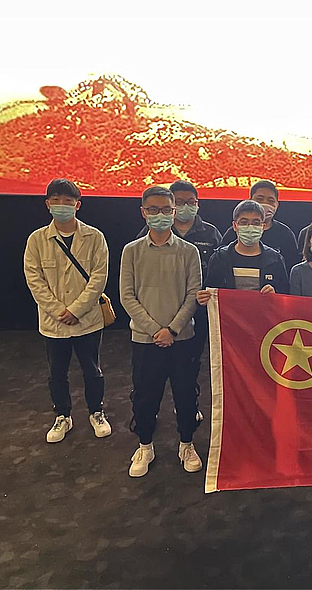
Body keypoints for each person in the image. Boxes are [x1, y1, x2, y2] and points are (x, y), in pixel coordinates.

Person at [120, 186, 203, 478]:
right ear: (143, 212)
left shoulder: (189, 251)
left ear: (174, 211)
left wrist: (173, 329)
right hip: (146, 340)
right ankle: (145, 445)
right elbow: (127, 296)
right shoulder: (131, 251)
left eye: (166, 209)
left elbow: (193, 295)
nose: (160, 215)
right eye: (153, 210)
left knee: (185, 395)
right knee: (145, 396)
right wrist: (156, 330)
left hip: (183, 339)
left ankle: (186, 443)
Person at [24, 178, 112, 443]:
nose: (62, 205)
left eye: (68, 201)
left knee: (92, 370)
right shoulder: (37, 239)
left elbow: (99, 277)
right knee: (57, 373)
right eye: (57, 200)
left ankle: (96, 412)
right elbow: (34, 279)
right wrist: (57, 310)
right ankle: (62, 415)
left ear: (78, 205)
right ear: (47, 204)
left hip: (87, 319)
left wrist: (76, 310)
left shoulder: (94, 237)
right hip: (54, 322)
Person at [198, 200, 289, 301]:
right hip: (229, 311)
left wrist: (275, 295)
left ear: (262, 227)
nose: (250, 227)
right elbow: (208, 293)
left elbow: (286, 297)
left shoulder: (275, 260)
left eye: (256, 223)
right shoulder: (220, 258)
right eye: (244, 222)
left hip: (263, 311)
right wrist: (202, 299)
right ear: (235, 226)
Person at [220, 180, 301, 272]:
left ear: (277, 204)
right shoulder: (233, 232)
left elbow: (292, 267)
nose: (265, 204)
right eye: (260, 199)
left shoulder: (285, 234)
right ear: (250, 201)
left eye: (271, 200)